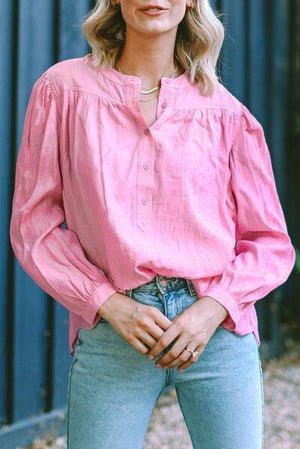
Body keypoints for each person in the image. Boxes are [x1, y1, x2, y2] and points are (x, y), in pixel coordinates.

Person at [9, 1, 296, 448]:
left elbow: (270, 243)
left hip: (216, 330)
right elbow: (33, 224)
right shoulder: (63, 91)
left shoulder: (226, 114)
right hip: (113, 327)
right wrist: (104, 301)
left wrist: (214, 307)